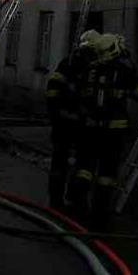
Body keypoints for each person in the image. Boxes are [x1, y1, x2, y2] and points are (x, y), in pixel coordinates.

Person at [72, 32, 138, 224]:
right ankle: (99, 213)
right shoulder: (123, 71)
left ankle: (78, 206)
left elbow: (78, 96)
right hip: (113, 132)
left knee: (85, 168)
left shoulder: (90, 70)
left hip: (90, 130)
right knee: (107, 173)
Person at [44, 30, 96, 208]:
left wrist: (55, 115)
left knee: (62, 162)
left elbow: (52, 90)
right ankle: (75, 200)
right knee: (81, 163)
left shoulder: (67, 63)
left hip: (65, 124)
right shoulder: (90, 67)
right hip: (75, 125)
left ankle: (58, 200)